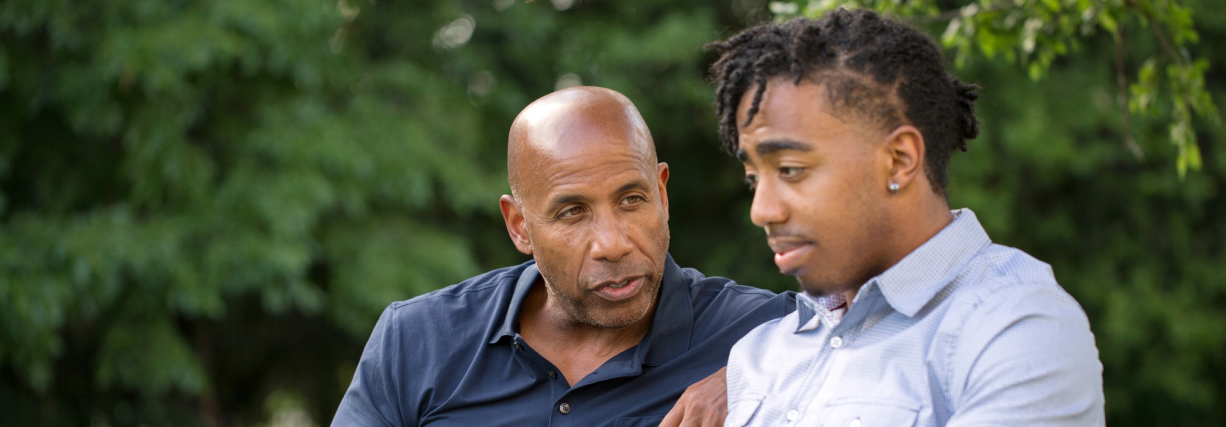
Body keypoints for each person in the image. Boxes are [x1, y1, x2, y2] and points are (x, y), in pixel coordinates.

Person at [705, 8, 1105, 426]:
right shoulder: (759, 354)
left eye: (790, 170)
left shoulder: (1018, 329)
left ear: (899, 161)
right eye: (754, 178)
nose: (762, 210)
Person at [331, 86, 792, 426]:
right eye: (572, 212)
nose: (612, 243)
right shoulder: (418, 341)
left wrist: (752, 376)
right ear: (519, 226)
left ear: (662, 195)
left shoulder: (768, 335)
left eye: (631, 199)